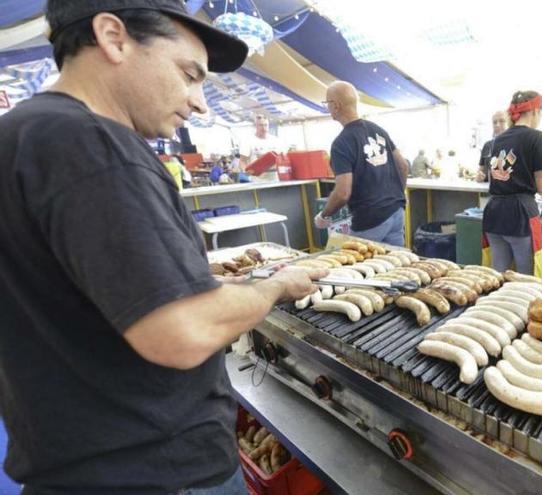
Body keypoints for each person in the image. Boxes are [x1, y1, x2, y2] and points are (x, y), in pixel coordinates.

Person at [0, 2, 327, 494]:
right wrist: (274, 286)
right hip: (157, 469)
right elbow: (182, 331)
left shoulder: (22, 133)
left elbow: (80, 290)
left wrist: (208, 288)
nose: (199, 102)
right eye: (189, 74)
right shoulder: (93, 144)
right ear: (113, 37)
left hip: (72, 461)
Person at [314, 81, 408, 246]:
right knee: (395, 264)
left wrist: (324, 215)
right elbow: (403, 165)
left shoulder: (342, 142)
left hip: (370, 219)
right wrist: (397, 194)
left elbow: (343, 192)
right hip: (396, 211)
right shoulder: (378, 129)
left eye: (327, 103)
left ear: (336, 106)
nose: (327, 107)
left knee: (361, 268)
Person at [482, 90, 542, 276]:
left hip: (493, 212)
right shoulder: (537, 137)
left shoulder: (496, 140)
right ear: (534, 111)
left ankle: (495, 304)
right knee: (526, 277)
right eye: (541, 113)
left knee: (498, 274)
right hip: (520, 215)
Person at [477, 110, 509, 182]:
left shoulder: (516, 144)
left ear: (509, 123)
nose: (497, 124)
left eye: (502, 121)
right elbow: (481, 171)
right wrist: (479, 176)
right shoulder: (487, 145)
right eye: (494, 122)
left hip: (510, 192)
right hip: (491, 191)